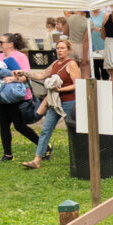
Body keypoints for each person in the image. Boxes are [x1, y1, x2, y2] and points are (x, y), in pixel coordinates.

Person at [27, 33, 81, 169]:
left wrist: (60, 90)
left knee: (73, 131)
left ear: (68, 50)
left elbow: (77, 84)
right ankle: (37, 160)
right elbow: (40, 75)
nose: (60, 50)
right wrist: (24, 73)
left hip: (69, 102)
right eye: (58, 48)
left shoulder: (71, 64)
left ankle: (78, 159)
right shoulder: (55, 64)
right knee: (45, 130)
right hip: (54, 103)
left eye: (63, 48)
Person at [0, 37, 41, 163]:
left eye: (1, 42)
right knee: (4, 125)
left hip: (16, 96)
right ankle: (7, 154)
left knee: (19, 126)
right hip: (1, 96)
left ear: (10, 44)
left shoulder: (20, 57)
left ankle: (44, 147)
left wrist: (12, 79)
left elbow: (26, 77)